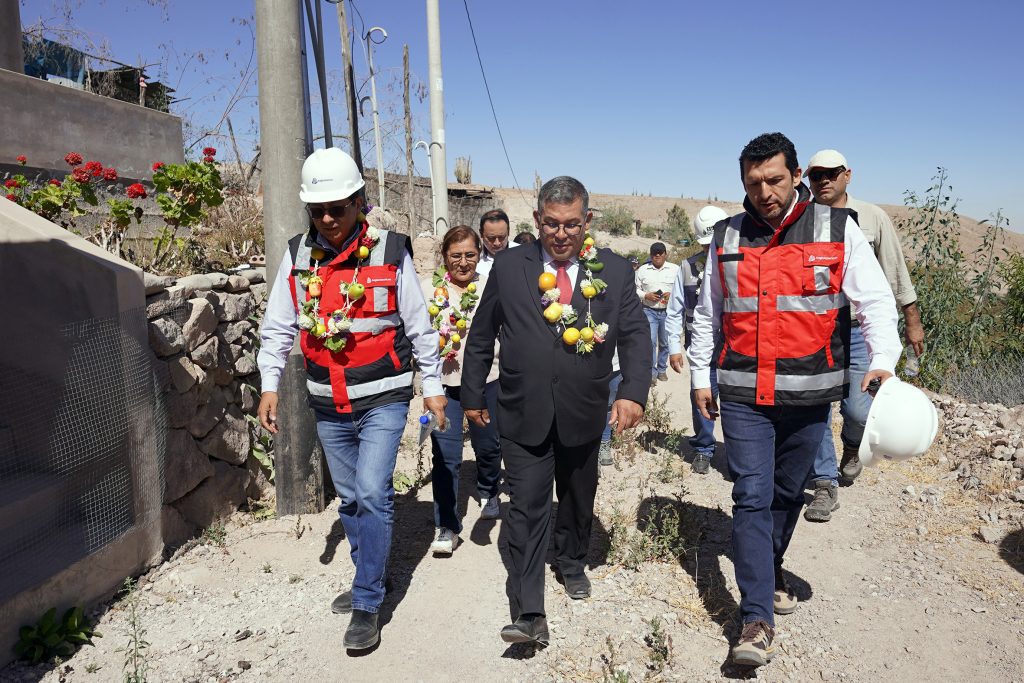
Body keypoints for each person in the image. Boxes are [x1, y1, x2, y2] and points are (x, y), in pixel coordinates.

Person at [687, 133, 902, 667]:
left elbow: (874, 300)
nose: (765, 192)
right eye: (753, 183)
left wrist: (884, 361)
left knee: (787, 494)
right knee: (752, 495)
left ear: (796, 175)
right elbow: (706, 315)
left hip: (809, 397)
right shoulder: (725, 237)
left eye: (775, 180)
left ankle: (768, 565)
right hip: (743, 394)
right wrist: (698, 375)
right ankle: (755, 618)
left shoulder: (838, 230)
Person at [256, 147, 447, 651]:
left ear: (360, 202)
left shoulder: (390, 251)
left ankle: (367, 600)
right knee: (349, 498)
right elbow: (277, 327)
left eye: (337, 208)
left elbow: (420, 327)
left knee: (372, 492)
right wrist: (270, 385)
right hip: (327, 403)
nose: (326, 219)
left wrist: (433, 390)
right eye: (316, 210)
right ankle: (370, 575)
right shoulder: (298, 255)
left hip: (382, 398)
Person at [461, 176, 651, 647]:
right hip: (522, 410)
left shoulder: (615, 270)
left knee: (576, 495)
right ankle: (529, 611)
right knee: (524, 508)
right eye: (551, 224)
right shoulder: (508, 267)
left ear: (587, 221)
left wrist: (632, 391)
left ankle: (571, 560)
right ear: (538, 221)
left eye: (571, 224)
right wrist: (470, 394)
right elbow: (482, 334)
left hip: (585, 409)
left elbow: (634, 335)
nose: (561, 234)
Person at [802, 149, 925, 522]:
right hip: (817, 331)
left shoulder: (872, 217)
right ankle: (825, 483)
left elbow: (894, 270)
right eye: (815, 175)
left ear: (847, 175)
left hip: (858, 329)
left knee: (857, 407)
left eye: (831, 173)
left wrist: (912, 321)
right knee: (816, 406)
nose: (823, 180)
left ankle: (852, 447)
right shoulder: (803, 221)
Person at [420, 225, 503, 555]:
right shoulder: (428, 289)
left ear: (479, 255)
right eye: (456, 255)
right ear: (444, 257)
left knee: (488, 444)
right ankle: (447, 525)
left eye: (470, 255)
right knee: (445, 456)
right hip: (443, 385)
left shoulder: (490, 289)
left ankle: (488, 487)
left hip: (487, 381)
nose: (464, 262)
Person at [667, 206, 729, 474]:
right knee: (703, 395)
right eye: (705, 245)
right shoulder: (687, 267)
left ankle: (739, 452)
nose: (709, 250)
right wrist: (673, 347)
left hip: (736, 347)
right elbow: (675, 309)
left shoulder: (740, 262)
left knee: (737, 401)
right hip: (700, 345)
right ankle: (704, 448)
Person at [635, 242, 679, 383]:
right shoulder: (642, 270)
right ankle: (652, 373)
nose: (657, 255)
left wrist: (671, 294)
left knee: (665, 343)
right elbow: (635, 289)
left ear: (665, 254)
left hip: (668, 313)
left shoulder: (675, 269)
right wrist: (645, 295)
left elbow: (681, 290)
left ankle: (661, 369)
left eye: (660, 252)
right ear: (651, 254)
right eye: (655, 253)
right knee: (651, 342)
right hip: (649, 311)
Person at [476, 209, 514, 277]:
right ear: (481, 234)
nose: (497, 243)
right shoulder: (474, 260)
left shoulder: (523, 255)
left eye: (501, 237)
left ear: (508, 231)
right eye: (491, 238)